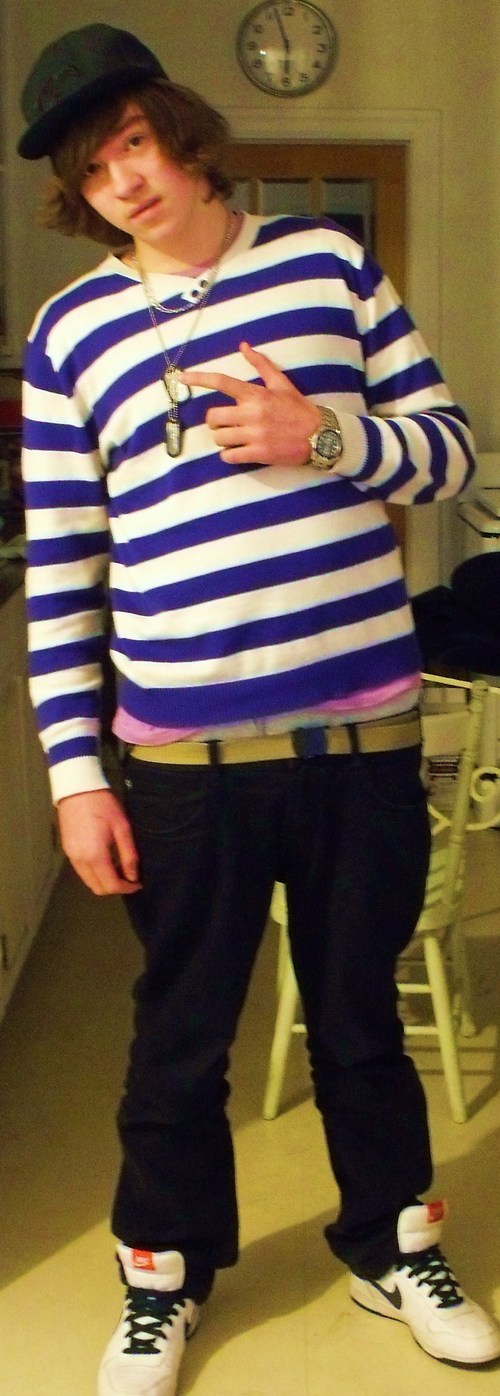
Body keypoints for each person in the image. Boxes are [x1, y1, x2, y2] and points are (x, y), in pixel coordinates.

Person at [18, 23, 500, 1396]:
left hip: (361, 740)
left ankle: (394, 1246)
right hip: (185, 759)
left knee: (360, 1020)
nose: (123, 178)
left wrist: (324, 437)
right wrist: (75, 775)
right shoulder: (69, 335)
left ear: (177, 129)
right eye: (90, 165)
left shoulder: (328, 265)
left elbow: (450, 455)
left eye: (131, 140)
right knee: (178, 1038)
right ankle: (161, 1278)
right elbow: (62, 570)